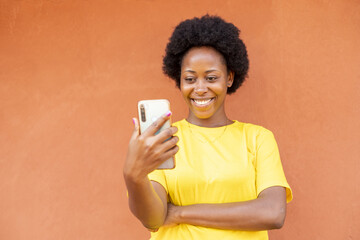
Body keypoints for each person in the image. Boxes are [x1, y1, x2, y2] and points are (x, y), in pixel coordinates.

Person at [123, 15, 293, 240]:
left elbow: (273, 213)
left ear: (229, 78)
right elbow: (153, 219)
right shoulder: (164, 140)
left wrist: (180, 213)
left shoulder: (257, 138)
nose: (200, 88)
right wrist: (133, 175)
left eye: (211, 78)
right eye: (190, 79)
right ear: (180, 81)